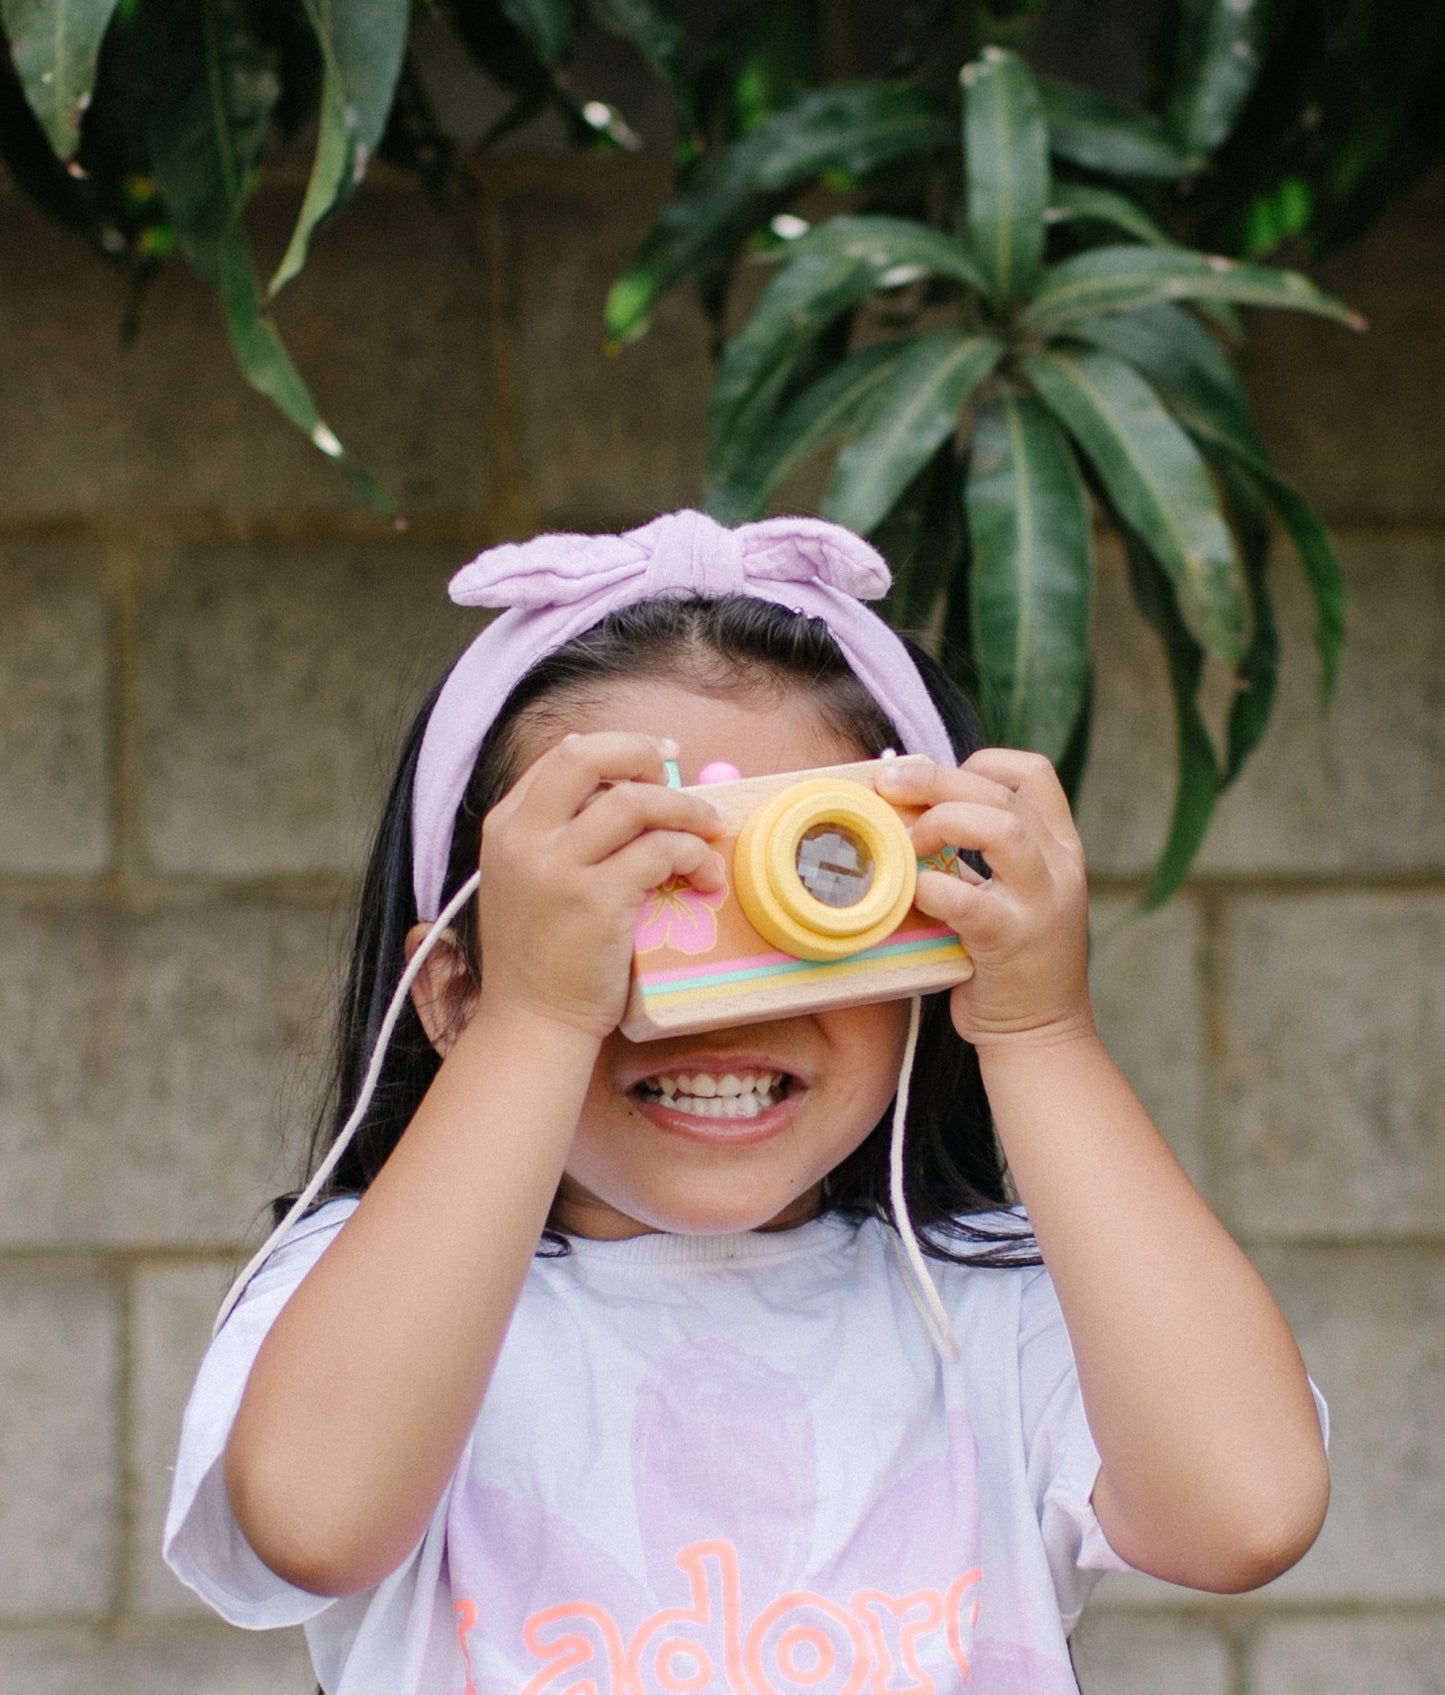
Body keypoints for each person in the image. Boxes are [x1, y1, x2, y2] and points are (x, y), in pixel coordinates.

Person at [165, 510, 1328, 1695]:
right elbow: (312, 1521)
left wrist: (1040, 1032)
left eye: (822, 882)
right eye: (633, 908)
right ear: (450, 988)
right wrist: (536, 1022)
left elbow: (1241, 1514)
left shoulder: (996, 1306)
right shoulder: (369, 1293)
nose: (714, 1008)